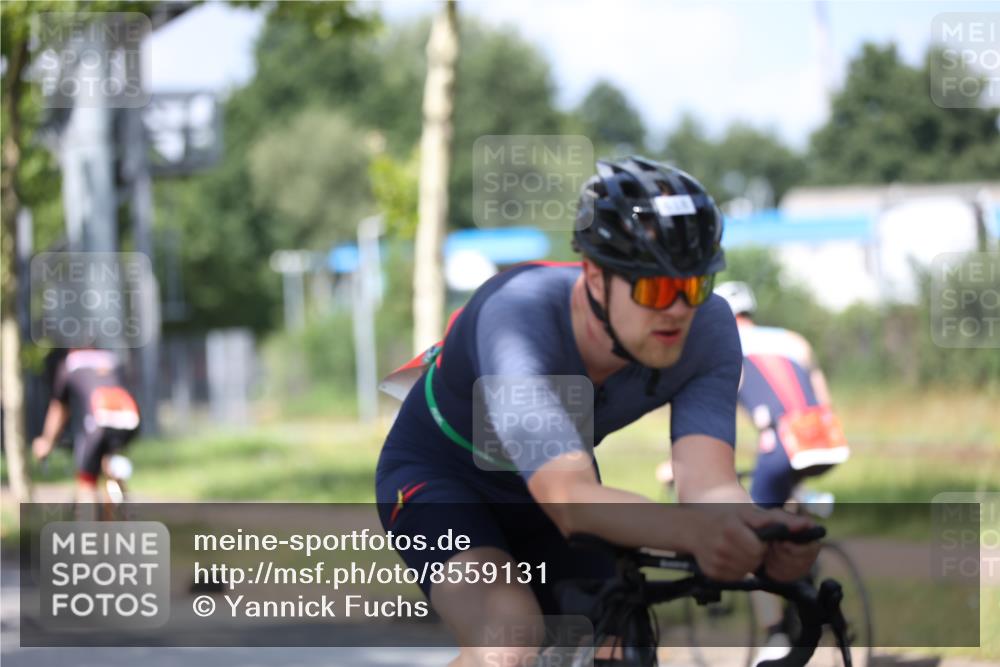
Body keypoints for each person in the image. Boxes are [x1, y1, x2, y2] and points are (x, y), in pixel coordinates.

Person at [376, 156, 820, 666]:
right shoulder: (517, 311)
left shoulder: (709, 330)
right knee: (510, 637)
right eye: (655, 287)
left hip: (549, 484)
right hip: (442, 480)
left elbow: (709, 487)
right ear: (593, 276)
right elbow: (569, 499)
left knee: (617, 642)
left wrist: (763, 539)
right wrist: (698, 534)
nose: (677, 309)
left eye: (694, 285)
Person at [712, 281, 850, 665]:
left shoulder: (727, 347)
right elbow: (821, 400)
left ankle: (774, 633)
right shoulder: (794, 340)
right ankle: (809, 575)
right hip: (824, 441)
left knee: (754, 536)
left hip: (781, 445)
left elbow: (720, 420)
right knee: (789, 507)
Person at [32, 347, 141, 504]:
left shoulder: (68, 365)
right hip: (131, 418)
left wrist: (47, 441)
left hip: (99, 423)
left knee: (86, 481)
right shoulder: (110, 357)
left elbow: (59, 409)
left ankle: (89, 524)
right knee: (108, 461)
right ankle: (121, 502)